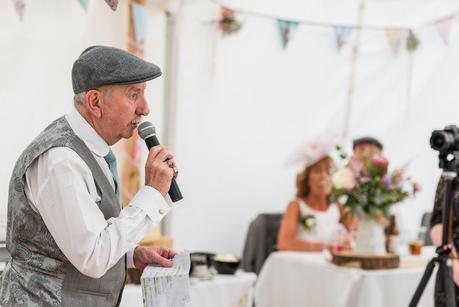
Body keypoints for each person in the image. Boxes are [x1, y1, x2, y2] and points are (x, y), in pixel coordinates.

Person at [0, 46, 178, 306]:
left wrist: (130, 256)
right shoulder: (61, 160)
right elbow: (92, 257)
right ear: (95, 102)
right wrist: (151, 193)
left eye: (144, 94)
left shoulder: (93, 151)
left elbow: (81, 236)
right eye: (133, 95)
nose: (145, 108)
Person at [278, 144, 348, 252]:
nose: (323, 176)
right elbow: (284, 243)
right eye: (317, 171)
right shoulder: (296, 206)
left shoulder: (338, 206)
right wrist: (325, 248)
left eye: (328, 172)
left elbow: (356, 232)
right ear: (306, 178)